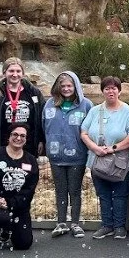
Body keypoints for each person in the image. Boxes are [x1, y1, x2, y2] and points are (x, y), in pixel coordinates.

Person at [81, 76, 129, 240]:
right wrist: (94, 148)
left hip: (120, 160)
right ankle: (106, 225)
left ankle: (119, 226)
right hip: (97, 159)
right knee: (103, 194)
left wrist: (114, 148)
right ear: (102, 91)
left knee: (120, 195)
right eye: (107, 88)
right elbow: (83, 132)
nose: (110, 91)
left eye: (114, 88)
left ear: (119, 90)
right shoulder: (95, 111)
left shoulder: (127, 111)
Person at [42, 70, 92, 239]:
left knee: (75, 190)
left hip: (77, 155)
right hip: (55, 156)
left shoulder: (85, 105)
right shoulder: (49, 104)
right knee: (60, 190)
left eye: (69, 85)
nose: (66, 88)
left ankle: (76, 223)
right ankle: (61, 222)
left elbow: (90, 129)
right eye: (63, 86)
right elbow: (44, 127)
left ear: (76, 86)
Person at [0, 125, 40, 252]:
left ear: (26, 139)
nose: (18, 138)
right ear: (9, 137)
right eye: (15, 134)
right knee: (1, 217)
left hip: (17, 207)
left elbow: (29, 190)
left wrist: (10, 203)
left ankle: (7, 230)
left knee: (24, 244)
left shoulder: (30, 160)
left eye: (22, 136)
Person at [0, 57, 44, 157]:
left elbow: (41, 118)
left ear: (23, 73)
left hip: (28, 146)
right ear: (4, 73)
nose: (15, 74)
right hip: (0, 144)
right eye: (11, 71)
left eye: (18, 71)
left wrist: (41, 140)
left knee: (26, 171)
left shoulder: (33, 92)